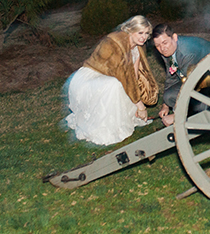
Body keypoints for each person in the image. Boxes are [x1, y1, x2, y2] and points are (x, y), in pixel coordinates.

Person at [65, 16, 159, 146]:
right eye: (140, 33)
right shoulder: (116, 42)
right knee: (115, 84)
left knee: (120, 84)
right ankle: (104, 125)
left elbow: (134, 76)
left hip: (114, 78)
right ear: (131, 30)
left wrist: (137, 101)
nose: (143, 37)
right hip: (90, 77)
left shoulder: (138, 47)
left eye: (146, 33)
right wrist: (140, 106)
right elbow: (123, 76)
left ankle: (125, 118)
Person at [152, 23, 210, 126]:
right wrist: (165, 105)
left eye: (165, 43)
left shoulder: (187, 53)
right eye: (158, 46)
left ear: (175, 37)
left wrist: (177, 116)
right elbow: (170, 78)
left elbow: (191, 87)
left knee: (190, 101)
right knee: (168, 96)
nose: (162, 48)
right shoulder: (168, 51)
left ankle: (203, 108)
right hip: (193, 79)